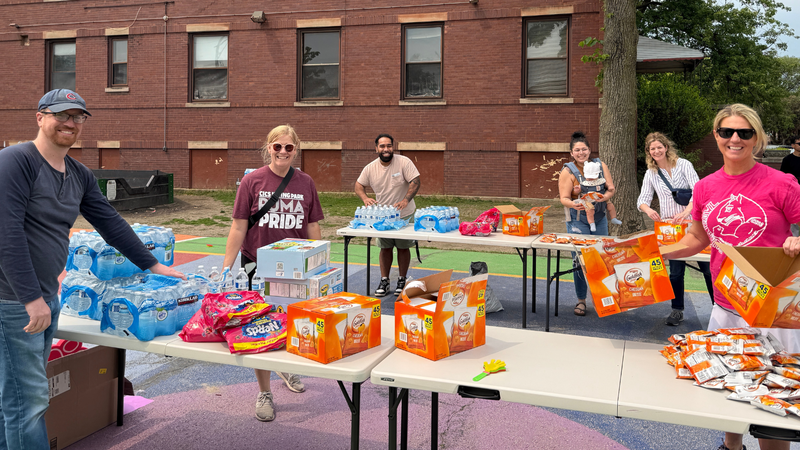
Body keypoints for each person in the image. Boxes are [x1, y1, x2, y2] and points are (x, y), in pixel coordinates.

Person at [0, 89, 185, 450]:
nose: (70, 123)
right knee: (29, 401)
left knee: (17, 398)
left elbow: (110, 223)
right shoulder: (15, 162)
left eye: (78, 117)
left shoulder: (78, 173)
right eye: (62, 115)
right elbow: (6, 234)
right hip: (14, 301)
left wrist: (154, 265)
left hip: (43, 297)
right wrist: (30, 299)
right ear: (41, 117)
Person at [662, 104, 800, 450]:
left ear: (757, 138)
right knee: (726, 390)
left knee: (770, 408)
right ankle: (730, 446)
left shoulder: (782, 183)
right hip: (726, 305)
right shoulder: (706, 187)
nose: (734, 139)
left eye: (744, 132)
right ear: (716, 136)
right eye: (726, 132)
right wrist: (650, 252)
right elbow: (696, 239)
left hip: (773, 310)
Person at [222, 124, 323, 422]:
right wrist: (226, 266)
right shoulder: (252, 181)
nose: (282, 152)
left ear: (296, 150)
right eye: (277, 147)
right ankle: (264, 390)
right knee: (260, 328)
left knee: (292, 321)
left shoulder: (306, 182)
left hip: (295, 267)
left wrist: (318, 261)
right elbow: (239, 225)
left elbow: (312, 225)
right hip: (256, 264)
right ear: (268, 148)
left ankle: (287, 366)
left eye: (288, 147)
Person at [637, 132, 714, 326]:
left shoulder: (684, 165)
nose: (656, 151)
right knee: (676, 272)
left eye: (659, 147)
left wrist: (686, 212)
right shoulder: (651, 173)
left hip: (694, 224)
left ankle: (718, 308)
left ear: (666, 147)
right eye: (652, 149)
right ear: (649, 152)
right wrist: (649, 211)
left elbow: (698, 192)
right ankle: (677, 309)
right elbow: (642, 199)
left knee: (707, 268)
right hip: (670, 228)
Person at [558, 131, 616, 316]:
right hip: (578, 221)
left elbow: (610, 189)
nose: (581, 153)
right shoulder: (568, 171)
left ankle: (603, 298)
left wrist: (602, 198)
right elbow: (564, 198)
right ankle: (581, 300)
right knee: (580, 261)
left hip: (599, 219)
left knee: (601, 259)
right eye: (577, 150)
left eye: (584, 149)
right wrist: (577, 203)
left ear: (590, 150)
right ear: (571, 153)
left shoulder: (600, 165)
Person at [355, 133, 421, 297]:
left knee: (403, 248)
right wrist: (365, 198)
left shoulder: (404, 162)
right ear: (376, 148)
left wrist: (405, 200)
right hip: (382, 218)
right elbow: (358, 185)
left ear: (393, 147)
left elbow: (416, 181)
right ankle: (384, 280)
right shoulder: (370, 168)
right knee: (385, 248)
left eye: (389, 146)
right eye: (382, 146)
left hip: (403, 215)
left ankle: (402, 279)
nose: (386, 149)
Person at [574, 160, 622, 232]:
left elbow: (608, 186)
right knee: (590, 211)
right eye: (588, 177)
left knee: (610, 205)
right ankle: (592, 223)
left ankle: (613, 218)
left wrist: (610, 187)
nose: (590, 179)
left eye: (592, 177)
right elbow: (578, 190)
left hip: (601, 196)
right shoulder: (584, 183)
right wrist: (577, 190)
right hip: (588, 199)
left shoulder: (601, 181)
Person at [779, 134, 800, 236]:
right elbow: (783, 176)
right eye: (799, 143)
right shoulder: (787, 160)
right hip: (793, 193)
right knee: (794, 221)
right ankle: (794, 241)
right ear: (793, 145)